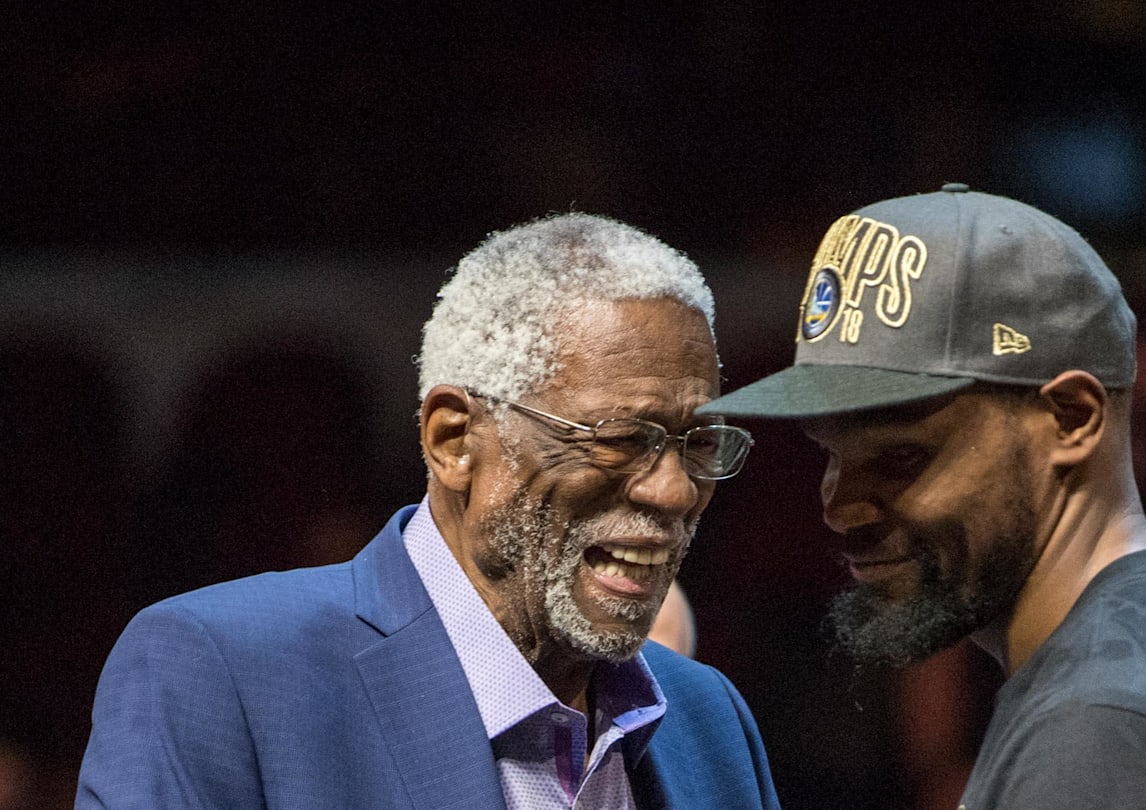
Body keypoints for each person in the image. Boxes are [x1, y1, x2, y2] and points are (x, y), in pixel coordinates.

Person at [77, 213, 779, 810]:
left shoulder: (709, 719)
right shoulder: (224, 673)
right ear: (454, 440)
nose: (675, 492)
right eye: (622, 439)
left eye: (700, 443)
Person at [697, 184, 1146, 808]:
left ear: (1071, 419)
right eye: (833, 454)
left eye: (902, 457)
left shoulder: (1108, 721)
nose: (841, 507)